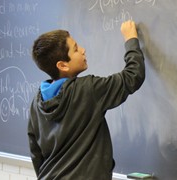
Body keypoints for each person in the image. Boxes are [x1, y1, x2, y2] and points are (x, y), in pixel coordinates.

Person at [27, 20, 145, 179]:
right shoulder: (88, 89)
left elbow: (36, 153)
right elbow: (132, 77)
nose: (83, 50)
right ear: (62, 65)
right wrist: (131, 39)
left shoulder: (37, 102)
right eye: (75, 49)